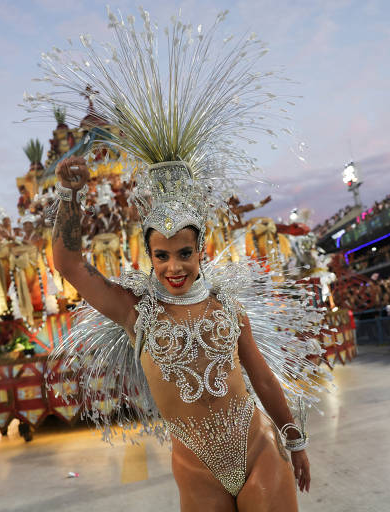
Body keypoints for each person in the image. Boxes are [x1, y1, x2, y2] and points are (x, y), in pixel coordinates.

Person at [53, 157, 311, 510]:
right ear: (150, 256)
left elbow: (262, 379)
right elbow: (69, 265)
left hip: (258, 448)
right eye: (162, 256)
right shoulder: (135, 311)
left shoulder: (229, 308)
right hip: (195, 468)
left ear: (200, 250)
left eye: (184, 253)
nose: (174, 267)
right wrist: (69, 194)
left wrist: (293, 439)